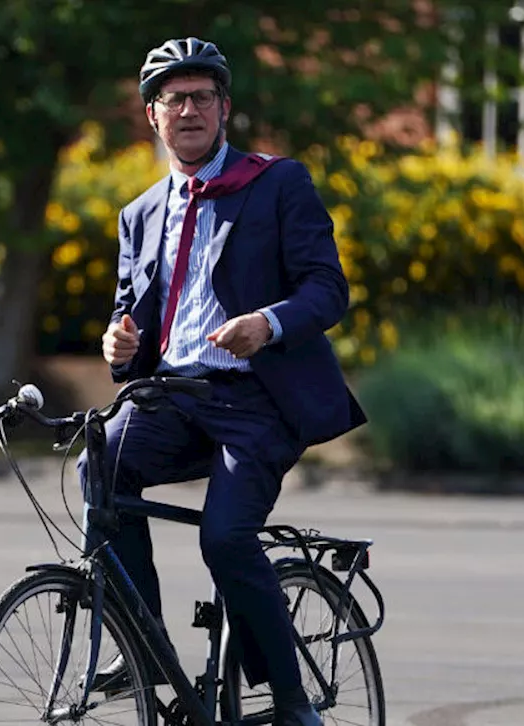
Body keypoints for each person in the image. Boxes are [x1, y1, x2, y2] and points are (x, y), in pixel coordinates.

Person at [76, 36, 367, 726]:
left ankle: (293, 702)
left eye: (202, 96)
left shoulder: (277, 184)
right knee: (100, 465)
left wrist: (268, 323)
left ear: (225, 108)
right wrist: (119, 344)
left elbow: (328, 289)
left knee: (225, 538)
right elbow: (132, 324)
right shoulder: (140, 214)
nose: (188, 109)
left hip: (255, 402)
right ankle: (142, 645)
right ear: (153, 117)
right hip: (173, 397)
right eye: (173, 99)